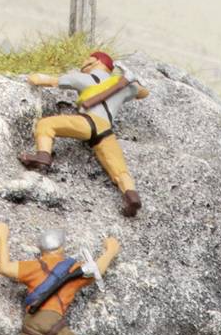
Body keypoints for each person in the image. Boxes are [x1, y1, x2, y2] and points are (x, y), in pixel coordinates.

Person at [19, 50, 150, 217]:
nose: (82, 64)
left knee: (46, 124)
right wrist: (131, 82)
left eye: (86, 59)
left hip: (89, 122)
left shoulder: (86, 78)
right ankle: (131, 195)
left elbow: (48, 80)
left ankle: (43, 156)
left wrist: (34, 78)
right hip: (106, 130)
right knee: (119, 169)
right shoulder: (123, 86)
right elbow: (143, 93)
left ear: (96, 62)